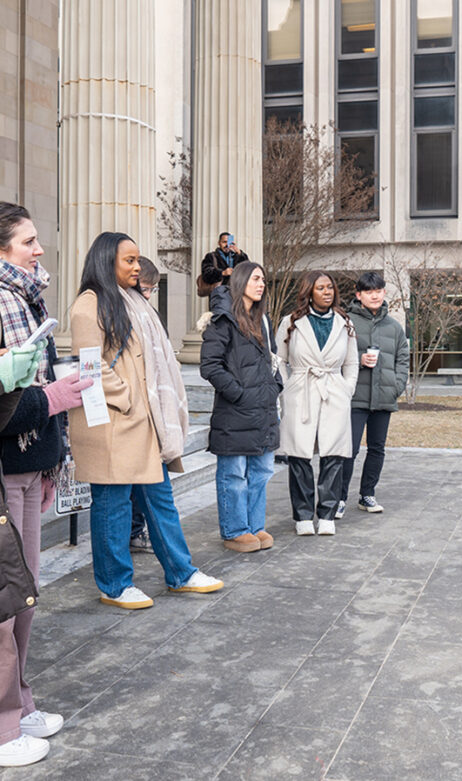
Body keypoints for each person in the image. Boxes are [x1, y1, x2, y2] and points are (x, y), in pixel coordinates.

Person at [69, 232, 224, 609]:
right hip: (114, 423)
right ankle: (115, 584)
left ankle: (181, 572)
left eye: (138, 260)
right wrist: (130, 399)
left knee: (160, 500)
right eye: (129, 260)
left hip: (144, 423)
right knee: (113, 504)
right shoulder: (89, 305)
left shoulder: (134, 302)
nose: (137, 267)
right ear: (107, 261)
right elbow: (91, 367)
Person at [0, 203, 72, 767]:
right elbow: (10, 397)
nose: (39, 249)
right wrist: (53, 397)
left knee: (23, 594)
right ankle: (3, 725)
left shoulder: (29, 298)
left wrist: (51, 459)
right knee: (5, 597)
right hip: (5, 464)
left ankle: (19, 702)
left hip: (29, 463)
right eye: (28, 241)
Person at [200, 262, 281, 551]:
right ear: (241, 281)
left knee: (261, 473)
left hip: (264, 412)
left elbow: (272, 359)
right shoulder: (221, 319)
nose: (261, 284)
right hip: (235, 413)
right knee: (234, 475)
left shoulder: (263, 320)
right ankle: (235, 530)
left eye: (263, 279)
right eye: (256, 278)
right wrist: (239, 393)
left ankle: (254, 526)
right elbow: (210, 365)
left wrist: (275, 388)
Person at [276, 271, 358, 536]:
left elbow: (352, 363)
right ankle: (301, 515)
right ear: (309, 291)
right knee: (299, 455)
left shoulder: (345, 322)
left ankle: (327, 515)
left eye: (330, 287)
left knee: (333, 454)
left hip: (334, 390)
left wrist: (347, 389)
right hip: (302, 391)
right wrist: (288, 388)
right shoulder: (291, 321)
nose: (327, 292)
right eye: (321, 288)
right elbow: (279, 360)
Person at [338, 271, 409, 517]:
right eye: (369, 291)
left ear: (384, 292)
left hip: (383, 398)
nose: (374, 295)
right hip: (354, 396)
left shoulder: (394, 327)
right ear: (359, 295)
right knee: (349, 449)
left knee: (377, 449)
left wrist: (396, 386)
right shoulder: (345, 322)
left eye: (378, 290)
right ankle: (339, 497)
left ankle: (367, 494)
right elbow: (335, 357)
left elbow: (403, 359)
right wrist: (358, 360)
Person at [128, 256, 161, 553]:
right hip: (130, 407)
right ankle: (134, 531)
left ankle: (137, 531)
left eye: (153, 289)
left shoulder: (148, 313)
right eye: (146, 287)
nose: (148, 295)